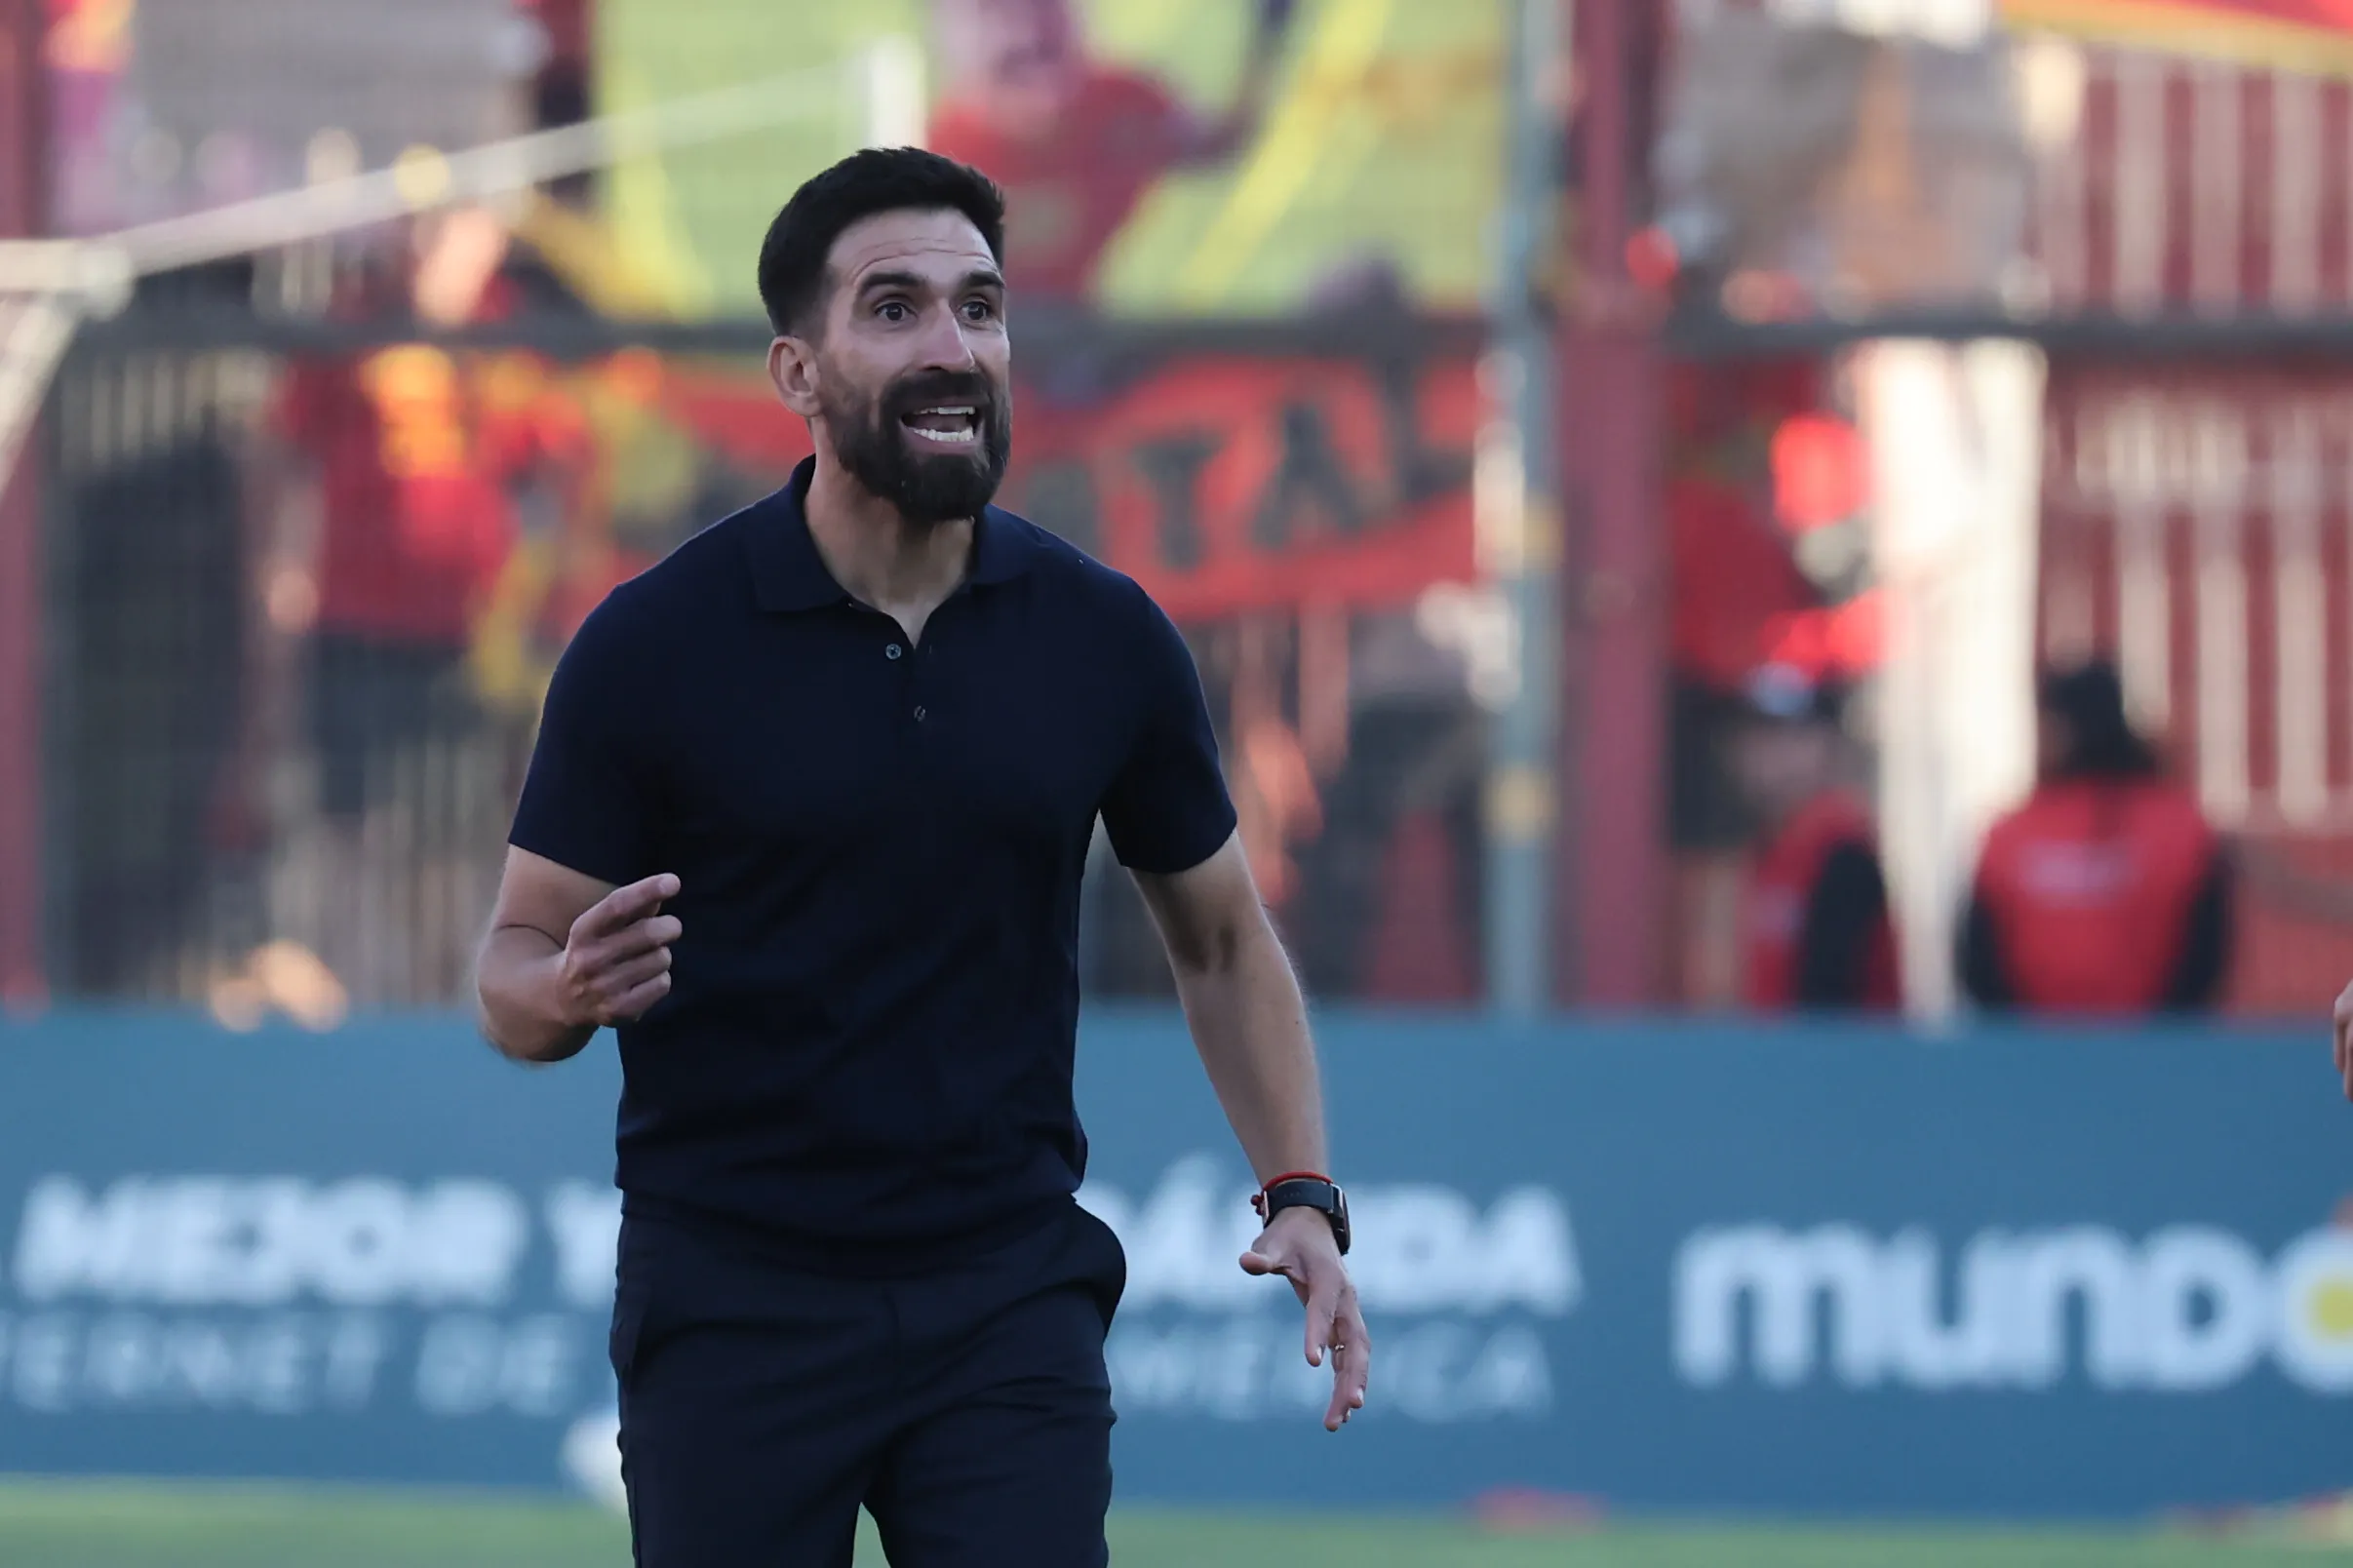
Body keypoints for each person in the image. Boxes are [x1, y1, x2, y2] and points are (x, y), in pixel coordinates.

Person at [474, 148, 1367, 1567]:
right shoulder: (653, 645)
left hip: (1005, 1302)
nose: (953, 345)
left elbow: (1217, 943)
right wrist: (565, 992)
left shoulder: (1103, 638)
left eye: (980, 307)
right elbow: (511, 972)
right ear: (797, 371)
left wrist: (1301, 1192)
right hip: (733, 1306)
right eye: (894, 308)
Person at [926, 0, 1295, 305]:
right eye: (993, 11)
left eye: (1043, 6)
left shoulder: (1121, 109)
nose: (1025, 29)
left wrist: (1268, 41)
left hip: (1073, 335)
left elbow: (1219, 146)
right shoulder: (945, 154)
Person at [1961, 660, 2231, 1015]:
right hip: (2154, 1042)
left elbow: (1977, 959)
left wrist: (2023, 1031)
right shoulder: (2180, 828)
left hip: (2034, 1043)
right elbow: (2206, 953)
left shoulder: (2012, 835)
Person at [1729, 665, 1901, 1011]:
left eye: (1790, 738)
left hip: (1838, 1045)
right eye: (1757, 736)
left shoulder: (1843, 849)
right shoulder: (1771, 846)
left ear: (1826, 745)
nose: (1769, 756)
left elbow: (1830, 996)